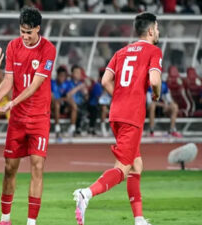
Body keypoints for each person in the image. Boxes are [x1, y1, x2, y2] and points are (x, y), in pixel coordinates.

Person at [73, 12, 162, 225]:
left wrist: (122, 96)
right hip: (132, 116)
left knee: (136, 165)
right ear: (150, 30)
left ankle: (139, 220)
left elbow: (105, 80)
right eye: (157, 28)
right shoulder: (154, 51)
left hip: (117, 113)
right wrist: (156, 93)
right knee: (122, 169)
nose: (158, 32)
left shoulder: (121, 51)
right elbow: (155, 78)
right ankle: (86, 194)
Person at [0, 7, 56, 225]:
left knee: (37, 165)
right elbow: (8, 81)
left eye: (29, 32)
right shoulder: (13, 46)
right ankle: (5, 219)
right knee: (9, 167)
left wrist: (12, 103)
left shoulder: (48, 49)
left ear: (38, 29)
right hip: (18, 120)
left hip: (39, 117)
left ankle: (31, 222)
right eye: (22, 31)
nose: (24, 36)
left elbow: (35, 84)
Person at [51, 66, 71, 138]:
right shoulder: (52, 83)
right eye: (61, 76)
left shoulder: (66, 84)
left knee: (73, 105)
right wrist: (59, 100)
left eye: (64, 76)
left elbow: (68, 97)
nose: (62, 78)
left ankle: (73, 129)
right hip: (52, 106)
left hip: (62, 104)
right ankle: (57, 128)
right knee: (56, 105)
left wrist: (62, 100)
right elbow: (51, 98)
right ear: (57, 75)